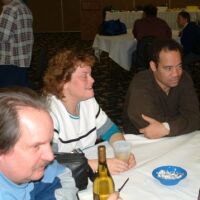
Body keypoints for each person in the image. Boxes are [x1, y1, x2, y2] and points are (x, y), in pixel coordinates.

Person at [42, 48, 136, 174]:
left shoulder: (87, 101)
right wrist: (99, 165)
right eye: (84, 76)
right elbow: (49, 164)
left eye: (90, 75)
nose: (92, 80)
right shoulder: (49, 115)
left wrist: (122, 150)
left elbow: (110, 130)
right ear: (63, 83)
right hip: (62, 179)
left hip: (84, 167)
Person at [0, 87, 78, 199]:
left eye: (50, 142)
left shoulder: (31, 169)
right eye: (36, 146)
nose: (50, 156)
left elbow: (62, 174)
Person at [123, 38, 200, 139]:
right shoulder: (140, 82)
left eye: (179, 66)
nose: (176, 74)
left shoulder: (184, 78)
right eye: (168, 68)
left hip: (177, 136)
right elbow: (149, 126)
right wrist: (183, 122)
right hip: (141, 140)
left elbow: (195, 118)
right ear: (153, 66)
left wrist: (166, 128)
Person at [0, 0, 33, 87]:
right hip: (23, 61)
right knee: (18, 95)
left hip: (8, 62)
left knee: (6, 96)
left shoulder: (9, 9)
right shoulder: (25, 8)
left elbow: (2, 36)